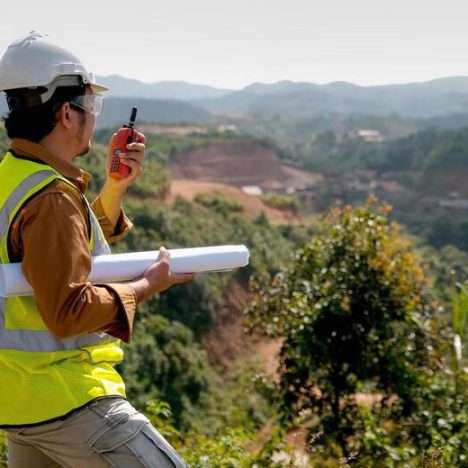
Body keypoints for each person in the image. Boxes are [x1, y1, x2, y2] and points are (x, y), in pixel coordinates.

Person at [0, 32, 194, 467]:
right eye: (90, 106)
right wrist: (145, 285)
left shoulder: (12, 177)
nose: (93, 117)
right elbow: (67, 309)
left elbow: (52, 252)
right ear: (66, 114)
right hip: (68, 397)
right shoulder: (49, 196)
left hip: (17, 403)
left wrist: (115, 189)